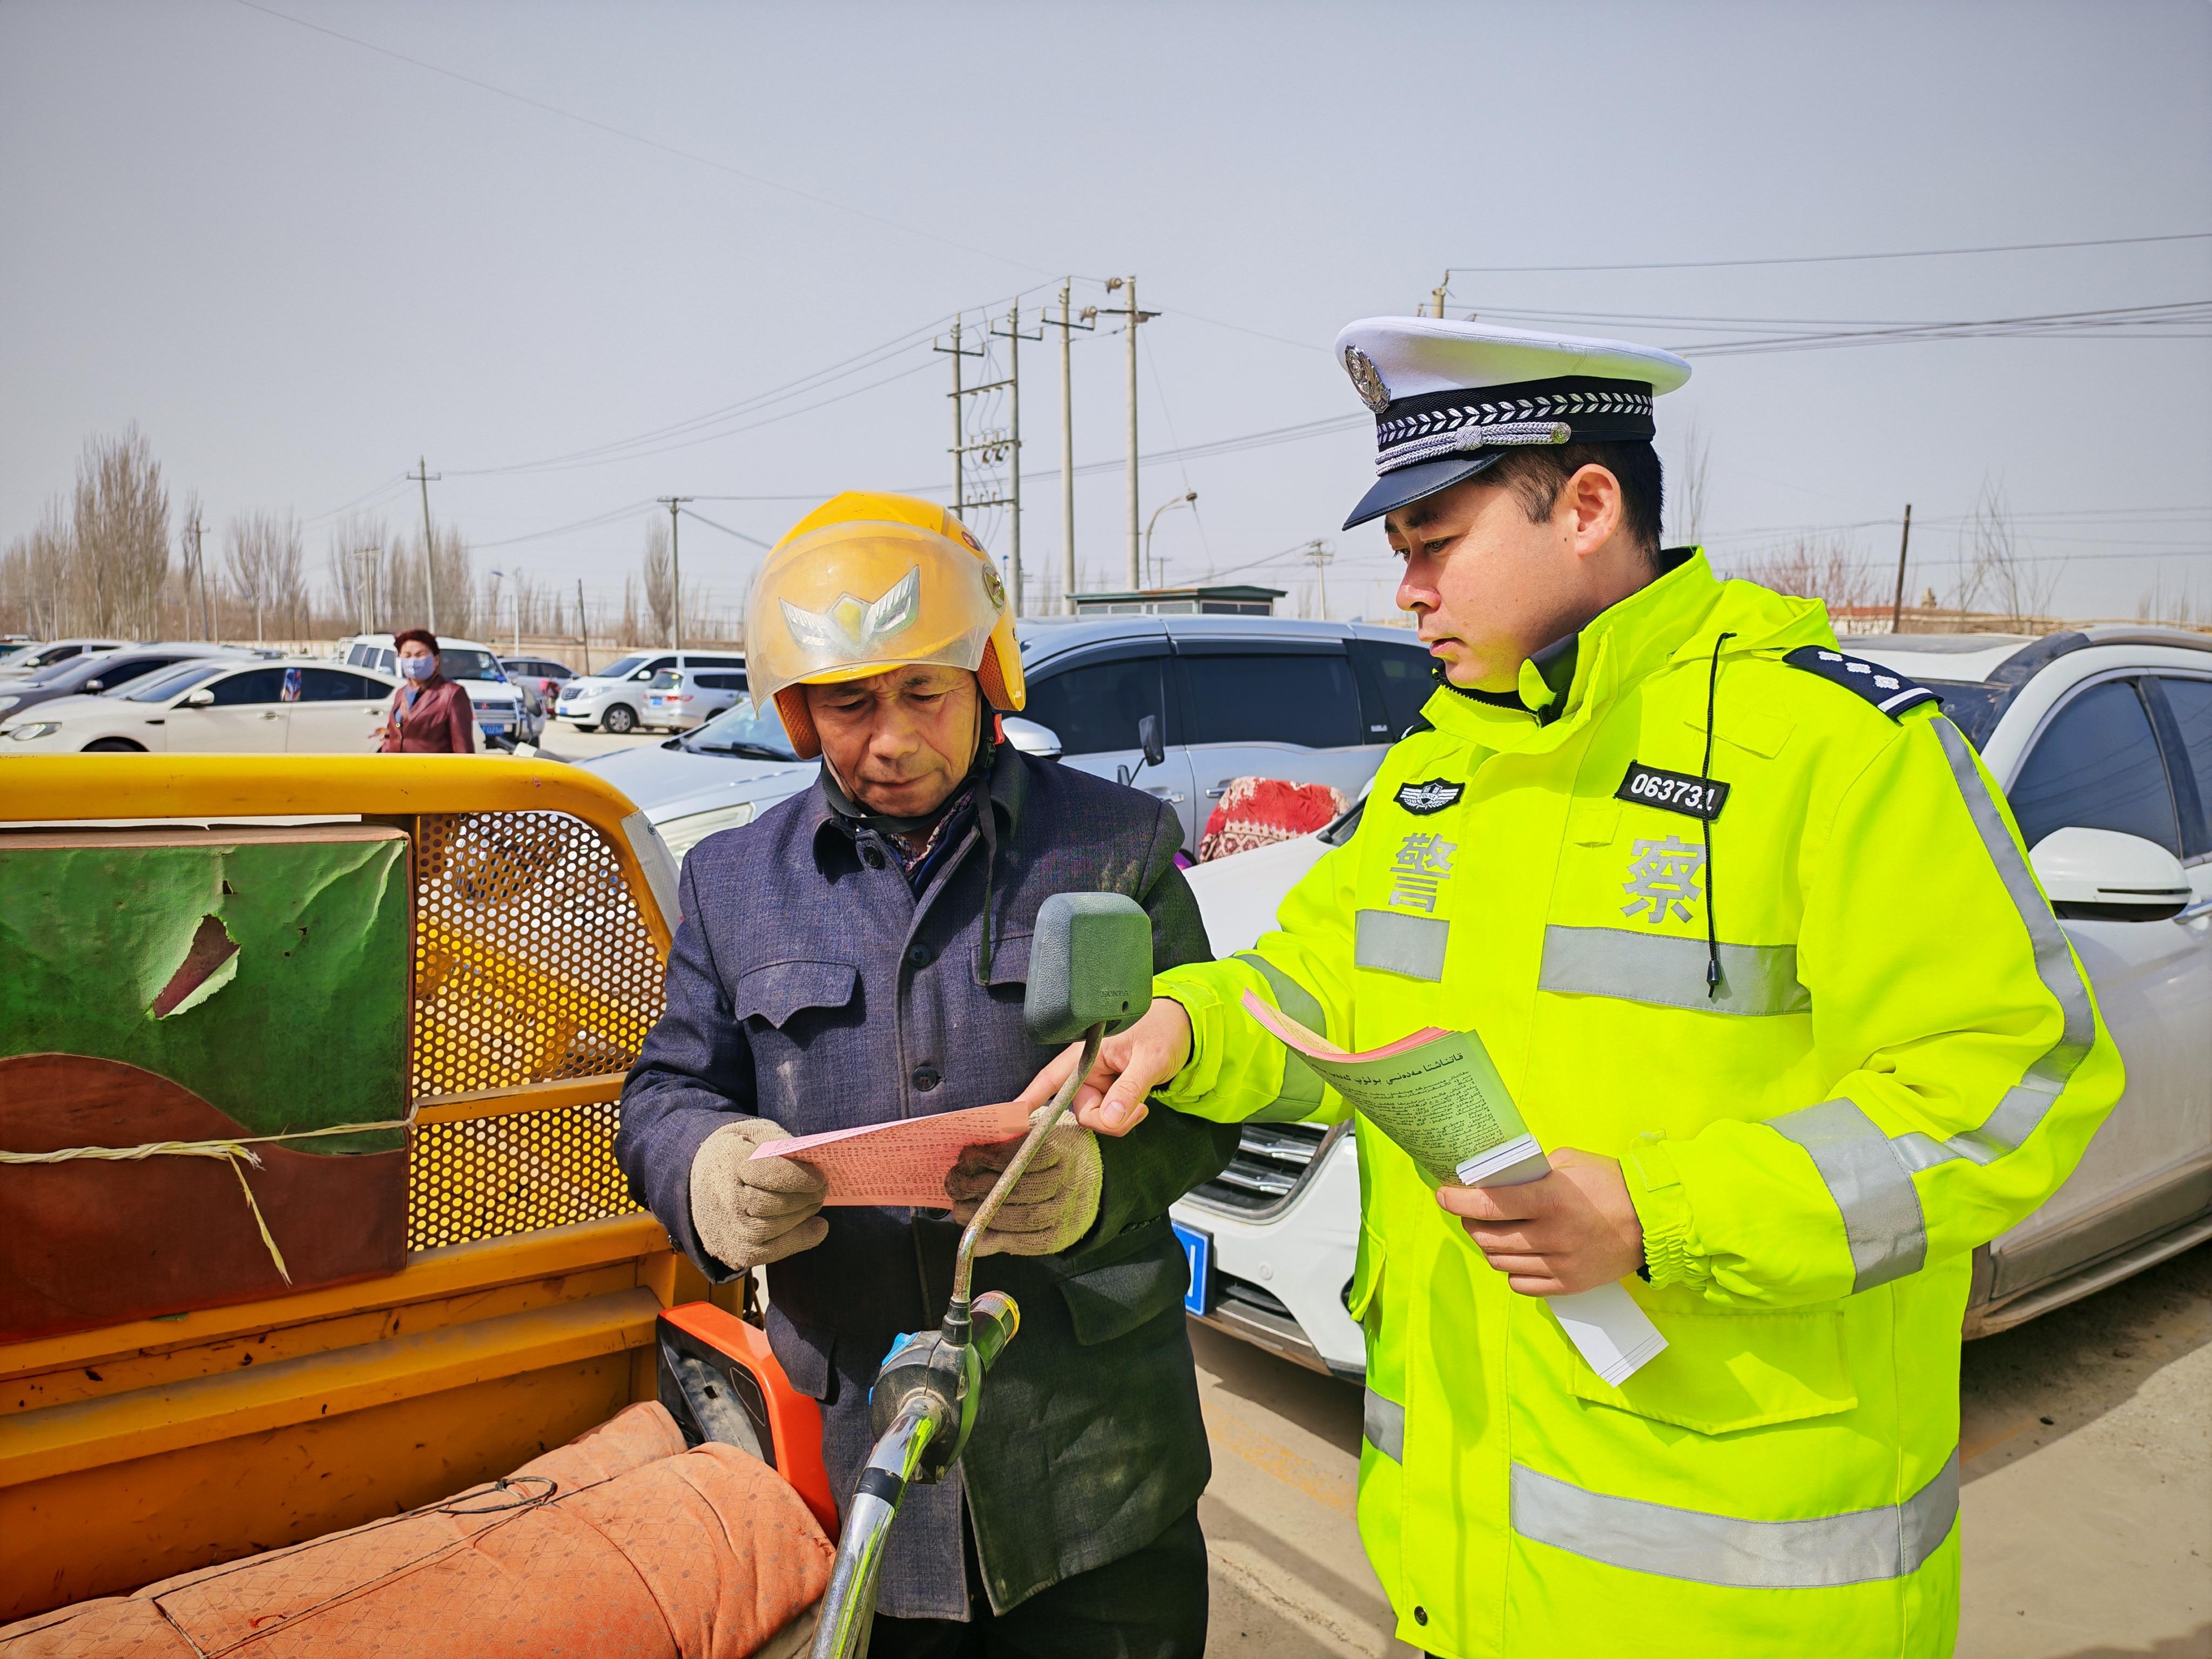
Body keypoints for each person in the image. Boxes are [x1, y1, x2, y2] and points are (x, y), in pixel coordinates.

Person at [1015, 319, 2125, 1658]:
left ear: (1588, 504)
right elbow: (1318, 983)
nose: (1408, 592)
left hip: (1739, 1591)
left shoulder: (1836, 751)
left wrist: (1657, 1212)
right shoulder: (1447, 760)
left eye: (1435, 541)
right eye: (1401, 555)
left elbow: (2012, 1079)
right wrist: (1184, 1024)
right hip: (1461, 1565)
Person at [615, 491, 1237, 1657]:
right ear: (797, 713)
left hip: (1096, 1463)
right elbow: (663, 1092)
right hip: (864, 1464)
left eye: (922, 695)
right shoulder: (733, 883)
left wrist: (1100, 1187)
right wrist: (705, 1171)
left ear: (985, 679)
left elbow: (1210, 1105)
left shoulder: (1117, 847)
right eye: (849, 704)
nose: (889, 740)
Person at [378, 629, 474, 753]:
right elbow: (393, 735)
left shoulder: (452, 694)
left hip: (432, 770)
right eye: (407, 656)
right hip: (399, 770)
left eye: (420, 655)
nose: (413, 662)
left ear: (436, 659)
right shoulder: (401, 693)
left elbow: (463, 747)